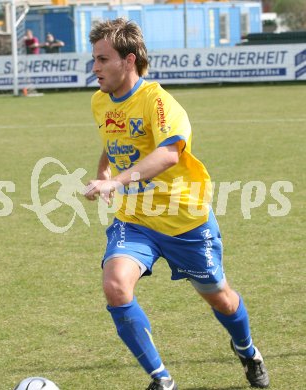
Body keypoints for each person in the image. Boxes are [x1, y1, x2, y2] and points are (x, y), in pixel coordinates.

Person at [84, 18, 270, 390]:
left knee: (221, 299)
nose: (95, 68)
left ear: (129, 60)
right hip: (135, 219)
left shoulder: (158, 101)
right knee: (115, 285)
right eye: (95, 59)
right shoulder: (100, 101)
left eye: (103, 59)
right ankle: (162, 379)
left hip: (184, 219)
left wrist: (119, 180)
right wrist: (104, 171)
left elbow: (169, 154)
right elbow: (111, 138)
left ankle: (247, 349)